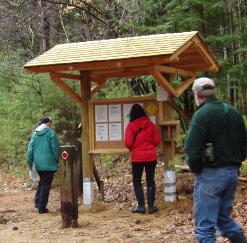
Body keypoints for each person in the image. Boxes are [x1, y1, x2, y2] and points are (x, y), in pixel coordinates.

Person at [184, 77, 247, 243]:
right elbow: (243, 146)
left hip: (210, 174)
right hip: (232, 174)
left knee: (204, 228)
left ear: (197, 94)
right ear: (213, 92)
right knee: (223, 220)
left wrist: (196, 168)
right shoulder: (234, 113)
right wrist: (234, 163)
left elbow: (192, 148)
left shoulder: (202, 115)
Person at [124, 104, 160, 214]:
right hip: (151, 157)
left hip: (137, 158)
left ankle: (141, 206)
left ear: (132, 114)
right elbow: (157, 140)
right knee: (150, 181)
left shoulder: (131, 126)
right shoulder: (150, 125)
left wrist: (134, 148)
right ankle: (151, 206)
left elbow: (128, 143)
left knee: (137, 181)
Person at [27, 116, 60, 214]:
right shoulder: (51, 133)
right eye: (51, 123)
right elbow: (55, 148)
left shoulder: (35, 134)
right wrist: (56, 159)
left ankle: (37, 203)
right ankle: (42, 208)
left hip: (38, 164)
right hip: (49, 164)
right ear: (49, 123)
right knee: (46, 185)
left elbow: (30, 150)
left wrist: (30, 162)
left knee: (41, 183)